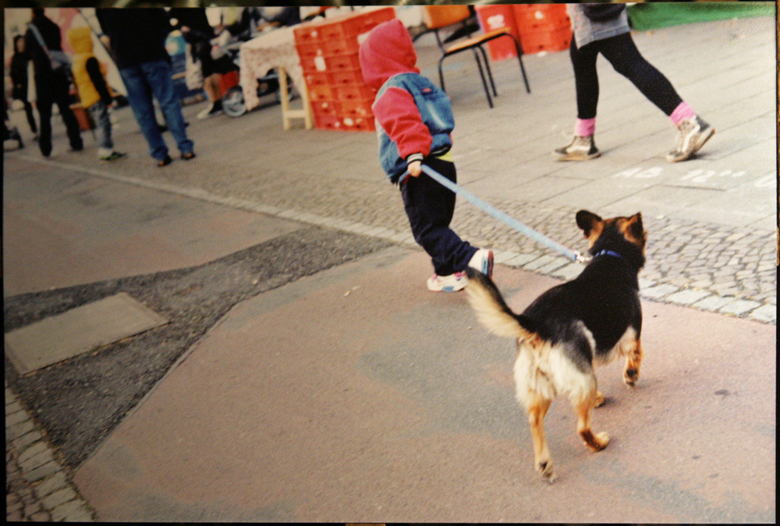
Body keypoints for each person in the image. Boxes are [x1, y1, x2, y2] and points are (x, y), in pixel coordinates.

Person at [359, 19, 493, 292]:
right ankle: (447, 273)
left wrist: (413, 155)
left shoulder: (390, 90)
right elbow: (441, 118)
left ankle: (470, 258)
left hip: (419, 169)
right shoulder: (421, 82)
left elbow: (404, 122)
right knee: (438, 223)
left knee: (426, 229)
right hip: (444, 162)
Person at [555, 3, 714, 163]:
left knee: (629, 62)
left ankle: (689, 122)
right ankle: (583, 137)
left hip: (594, 12)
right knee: (582, 59)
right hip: (593, 11)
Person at [96, 8, 195, 167]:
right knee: (168, 102)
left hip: (126, 60)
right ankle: (185, 148)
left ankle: (160, 155)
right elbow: (164, 20)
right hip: (152, 53)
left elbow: (106, 30)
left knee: (143, 112)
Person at [25, 8, 83, 158]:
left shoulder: (31, 30)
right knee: (66, 110)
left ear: (32, 12)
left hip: (43, 77)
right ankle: (76, 141)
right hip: (58, 74)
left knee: (45, 115)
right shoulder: (53, 26)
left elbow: (26, 53)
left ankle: (46, 148)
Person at [66, 26, 125, 162]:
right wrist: (108, 99)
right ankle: (105, 150)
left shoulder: (77, 59)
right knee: (103, 124)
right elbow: (97, 81)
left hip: (88, 97)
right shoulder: (89, 59)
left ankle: (105, 149)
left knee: (99, 123)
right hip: (96, 97)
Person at [168, 8, 234, 120]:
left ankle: (215, 102)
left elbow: (168, 21)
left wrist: (181, 27)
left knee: (205, 72)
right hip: (208, 36)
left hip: (197, 41)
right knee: (213, 69)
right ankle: (221, 100)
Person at [10, 35, 38, 140]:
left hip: (33, 84)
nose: (21, 43)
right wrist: (17, 84)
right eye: (19, 42)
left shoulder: (29, 55)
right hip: (23, 87)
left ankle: (42, 128)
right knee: (28, 109)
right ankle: (34, 130)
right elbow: (13, 74)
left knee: (40, 105)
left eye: (22, 41)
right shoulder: (15, 58)